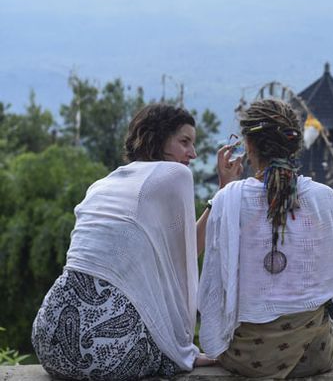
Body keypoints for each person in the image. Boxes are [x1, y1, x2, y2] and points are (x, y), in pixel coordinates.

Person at [31, 103, 220, 380]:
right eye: (184, 142)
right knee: (169, 358)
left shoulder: (102, 184)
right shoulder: (175, 175)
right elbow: (186, 257)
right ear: (158, 139)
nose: (192, 154)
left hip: (47, 341)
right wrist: (182, 349)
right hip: (102, 355)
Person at [198, 98, 333, 379]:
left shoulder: (229, 199)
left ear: (247, 145)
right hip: (313, 354)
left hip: (247, 358)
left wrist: (223, 190)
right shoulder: (322, 197)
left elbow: (213, 284)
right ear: (294, 145)